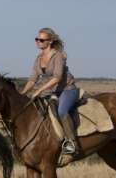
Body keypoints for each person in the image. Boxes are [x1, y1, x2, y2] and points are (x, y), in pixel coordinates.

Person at [20, 27, 80, 156]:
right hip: (51, 92)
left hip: (67, 89)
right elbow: (32, 80)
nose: (38, 42)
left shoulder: (57, 56)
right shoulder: (38, 59)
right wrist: (22, 93)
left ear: (50, 41)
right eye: (37, 39)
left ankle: (71, 143)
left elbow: (57, 78)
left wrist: (39, 90)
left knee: (62, 112)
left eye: (42, 40)